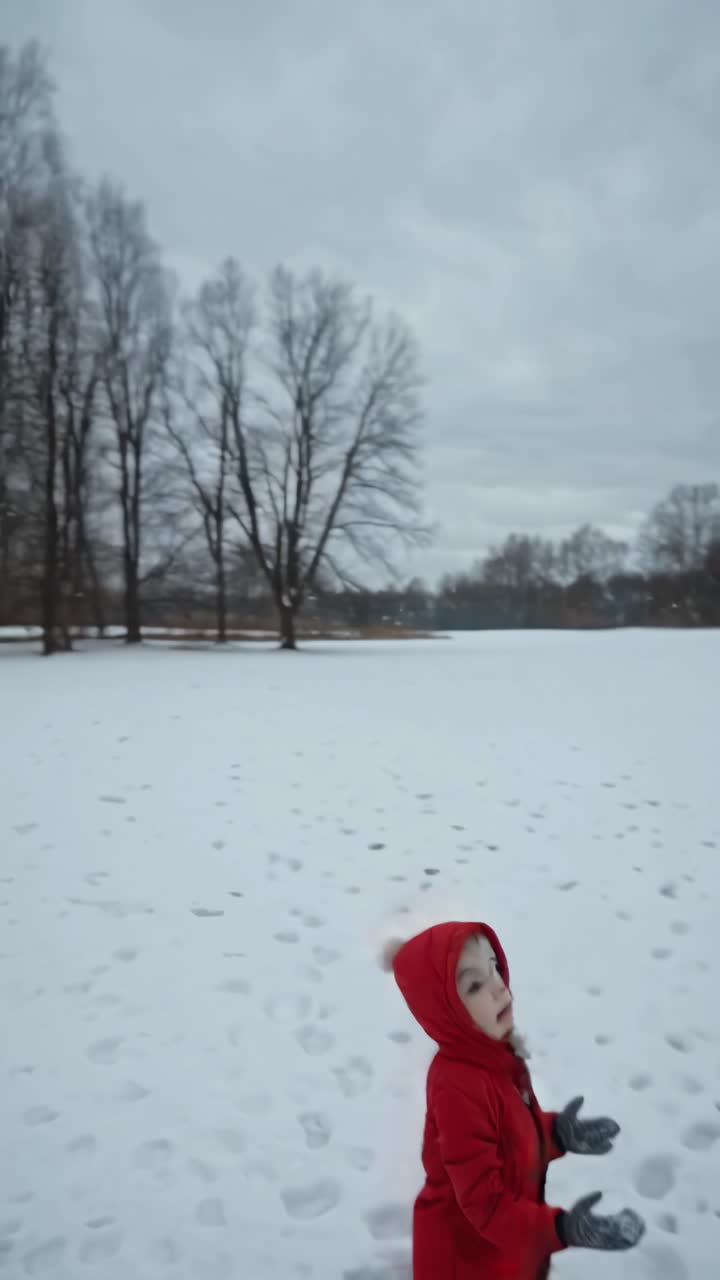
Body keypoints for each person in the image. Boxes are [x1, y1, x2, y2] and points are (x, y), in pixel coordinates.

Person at [382, 920, 645, 1280]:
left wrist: (557, 1134)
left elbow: (509, 1137)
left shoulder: (494, 1057)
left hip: (504, 1253)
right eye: (475, 985)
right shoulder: (457, 1087)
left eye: (494, 968)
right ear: (445, 1010)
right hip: (466, 1262)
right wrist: (563, 1229)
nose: (497, 987)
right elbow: (485, 1203)